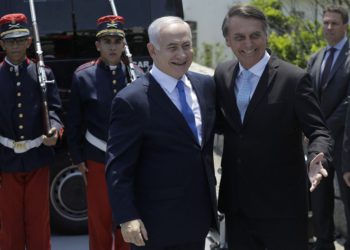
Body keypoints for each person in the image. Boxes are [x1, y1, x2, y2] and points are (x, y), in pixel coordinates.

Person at [214, 5, 333, 250]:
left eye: (255, 35)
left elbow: (319, 130)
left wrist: (316, 159)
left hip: (282, 209)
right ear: (227, 40)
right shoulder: (222, 74)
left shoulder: (294, 78)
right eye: (239, 37)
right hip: (237, 207)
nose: (248, 43)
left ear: (266, 36)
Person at [105, 16, 217, 249]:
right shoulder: (132, 100)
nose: (182, 55)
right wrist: (127, 216)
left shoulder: (205, 86)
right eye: (172, 48)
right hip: (153, 225)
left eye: (186, 46)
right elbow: (118, 166)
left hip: (198, 219)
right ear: (152, 50)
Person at [66, 15, 136, 250]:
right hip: (97, 157)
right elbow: (74, 120)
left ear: (124, 44)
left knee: (128, 219)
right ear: (98, 45)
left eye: (117, 40)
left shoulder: (135, 75)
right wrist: (77, 157)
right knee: (100, 220)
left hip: (130, 158)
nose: (113, 46)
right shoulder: (83, 76)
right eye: (107, 41)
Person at [0, 13, 63, 250]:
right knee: (10, 226)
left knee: (39, 223)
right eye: (10, 40)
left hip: (37, 157)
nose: (15, 45)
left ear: (28, 42)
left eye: (20, 40)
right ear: (2, 43)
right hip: (6, 160)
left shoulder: (43, 74)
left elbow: (55, 111)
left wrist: (55, 131)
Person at [307, 5, 350, 250]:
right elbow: (307, 97)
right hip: (320, 146)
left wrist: (323, 127)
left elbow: (349, 102)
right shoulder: (316, 58)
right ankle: (324, 244)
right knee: (320, 198)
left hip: (345, 143)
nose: (329, 27)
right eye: (325, 22)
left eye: (334, 23)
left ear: (345, 26)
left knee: (348, 199)